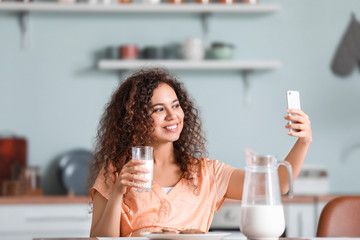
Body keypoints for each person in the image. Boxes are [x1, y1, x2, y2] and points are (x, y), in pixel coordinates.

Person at [89, 67, 312, 237]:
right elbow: (99, 239)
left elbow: (279, 184)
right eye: (159, 109)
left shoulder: (208, 172)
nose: (172, 115)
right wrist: (118, 191)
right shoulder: (116, 171)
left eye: (175, 106)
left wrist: (303, 142)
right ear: (134, 119)